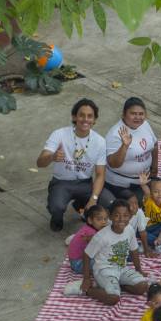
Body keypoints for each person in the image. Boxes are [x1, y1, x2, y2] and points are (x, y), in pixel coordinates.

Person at [37, 98, 112, 231]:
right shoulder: (59, 134)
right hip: (62, 182)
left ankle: (80, 205)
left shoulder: (100, 141)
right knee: (57, 207)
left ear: (94, 120)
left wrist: (93, 199)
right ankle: (56, 216)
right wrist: (52, 157)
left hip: (85, 183)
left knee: (107, 201)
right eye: (81, 115)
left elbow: (100, 174)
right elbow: (40, 162)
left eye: (90, 116)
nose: (85, 119)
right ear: (74, 117)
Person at [81, 199, 149, 305]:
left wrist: (138, 269)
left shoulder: (129, 230)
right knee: (113, 299)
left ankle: (118, 285)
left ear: (130, 216)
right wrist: (86, 279)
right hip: (104, 270)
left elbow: (134, 250)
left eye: (125, 215)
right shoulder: (101, 236)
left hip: (121, 268)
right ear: (110, 216)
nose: (121, 219)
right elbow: (86, 255)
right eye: (117, 215)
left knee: (142, 286)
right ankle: (87, 291)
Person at [104, 97, 159, 202]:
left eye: (141, 114)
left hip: (145, 179)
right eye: (133, 113)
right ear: (124, 114)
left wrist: (155, 168)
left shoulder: (145, 125)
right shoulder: (115, 133)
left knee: (160, 197)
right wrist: (124, 146)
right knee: (134, 206)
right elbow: (113, 163)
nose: (138, 117)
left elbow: (155, 146)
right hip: (121, 185)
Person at [67, 205, 109, 274]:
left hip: (77, 261)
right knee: (104, 261)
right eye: (99, 219)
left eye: (105, 219)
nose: (103, 222)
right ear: (90, 220)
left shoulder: (89, 228)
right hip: (78, 264)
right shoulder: (91, 233)